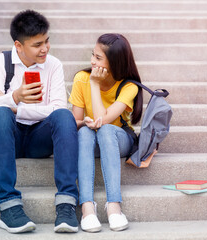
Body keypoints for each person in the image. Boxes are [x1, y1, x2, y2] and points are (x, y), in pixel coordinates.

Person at [0, 10, 79, 234]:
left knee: (65, 117)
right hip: (9, 137)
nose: (44, 48)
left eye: (47, 41)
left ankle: (66, 204)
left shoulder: (53, 64)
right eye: (37, 45)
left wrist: (15, 106)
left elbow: (58, 109)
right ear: (19, 45)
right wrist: (15, 96)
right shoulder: (0, 62)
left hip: (39, 139)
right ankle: (9, 206)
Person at [69, 33, 143, 232]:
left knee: (105, 131)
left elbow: (103, 120)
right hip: (89, 141)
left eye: (98, 58)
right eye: (93, 55)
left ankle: (114, 205)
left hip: (118, 139)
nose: (92, 61)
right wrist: (83, 122)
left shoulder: (129, 86)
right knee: (84, 133)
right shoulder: (81, 78)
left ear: (114, 62)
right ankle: (87, 207)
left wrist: (94, 84)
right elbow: (75, 121)